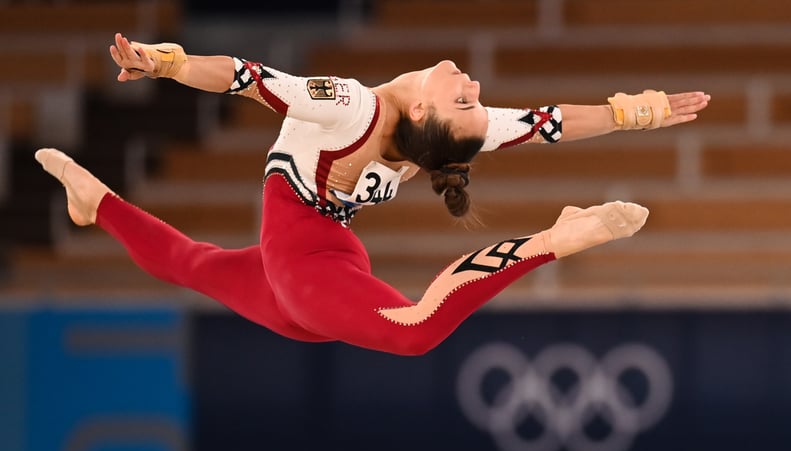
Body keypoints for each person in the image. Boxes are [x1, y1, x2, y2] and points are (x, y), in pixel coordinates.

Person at [34, 33, 710, 355]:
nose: (472, 87)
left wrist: (173, 65)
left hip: (310, 265)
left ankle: (551, 241)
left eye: (466, 99)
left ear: (422, 113)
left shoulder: (357, 109)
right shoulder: (398, 119)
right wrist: (635, 110)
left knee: (411, 330)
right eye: (473, 99)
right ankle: (96, 201)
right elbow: (551, 124)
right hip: (308, 265)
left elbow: (243, 76)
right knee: (192, 264)